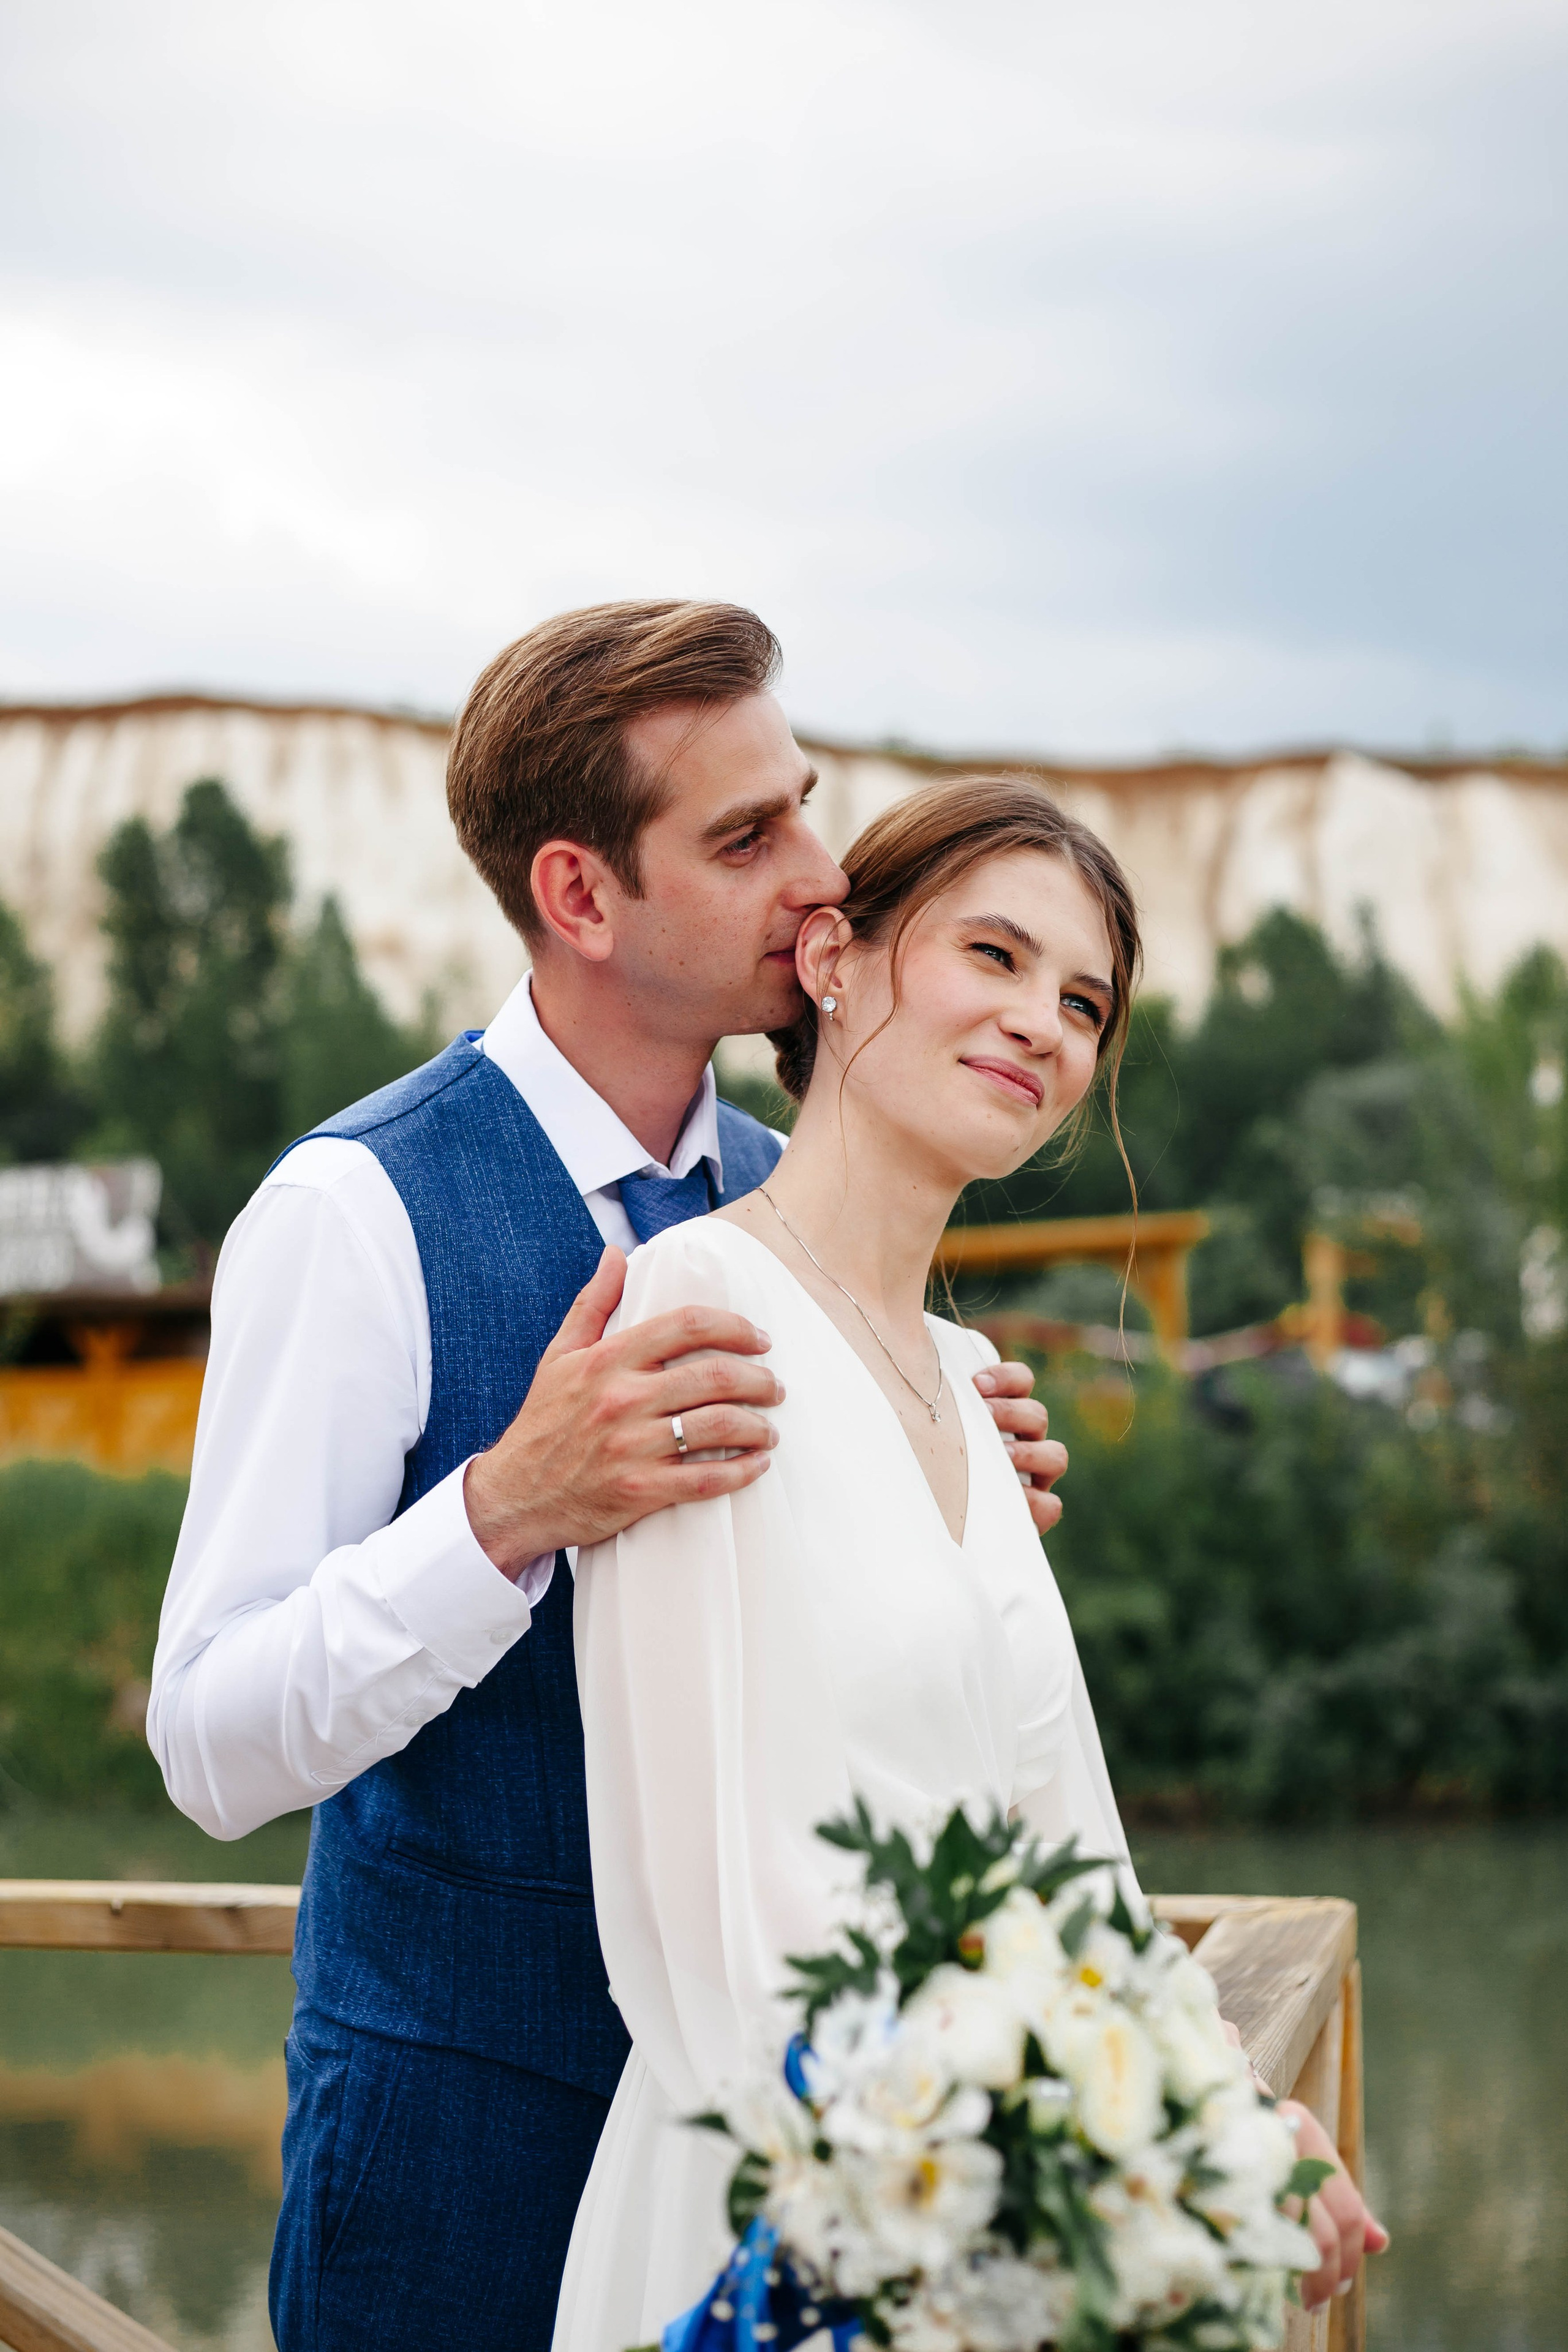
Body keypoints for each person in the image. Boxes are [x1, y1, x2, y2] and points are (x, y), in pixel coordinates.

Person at [147, 601, 1069, 2352]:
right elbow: (207, 1745)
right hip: (457, 2163)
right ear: (579, 897)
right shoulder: (354, 1214)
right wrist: (505, 1514)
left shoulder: (815, 1196)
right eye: (747, 836)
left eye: (806, 803)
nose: (823, 879)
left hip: (790, 2165)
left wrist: (944, 1482)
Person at [552, 774, 1387, 2351]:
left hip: (987, 2212)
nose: (1041, 1024)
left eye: (1081, 1001)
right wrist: (1039, 2157)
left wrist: (1220, 2117)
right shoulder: (698, 1306)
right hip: (788, 2210)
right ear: (834, 962)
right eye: (992, 957)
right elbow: (716, 1911)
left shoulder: (966, 1377)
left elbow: (1062, 1853)